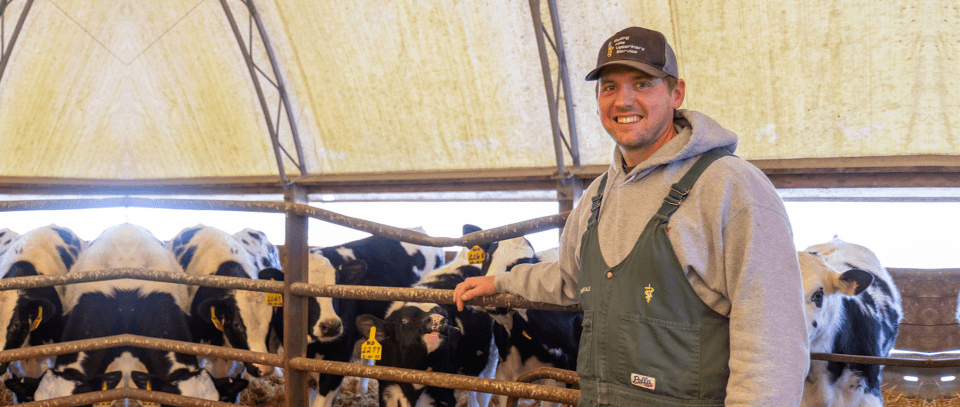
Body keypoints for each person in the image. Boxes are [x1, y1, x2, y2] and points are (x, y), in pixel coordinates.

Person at [454, 26, 809, 406]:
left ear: (676, 93)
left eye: (642, 84)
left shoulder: (732, 188)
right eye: (609, 87)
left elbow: (773, 337)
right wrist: (501, 282)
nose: (623, 101)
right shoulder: (598, 194)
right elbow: (570, 279)